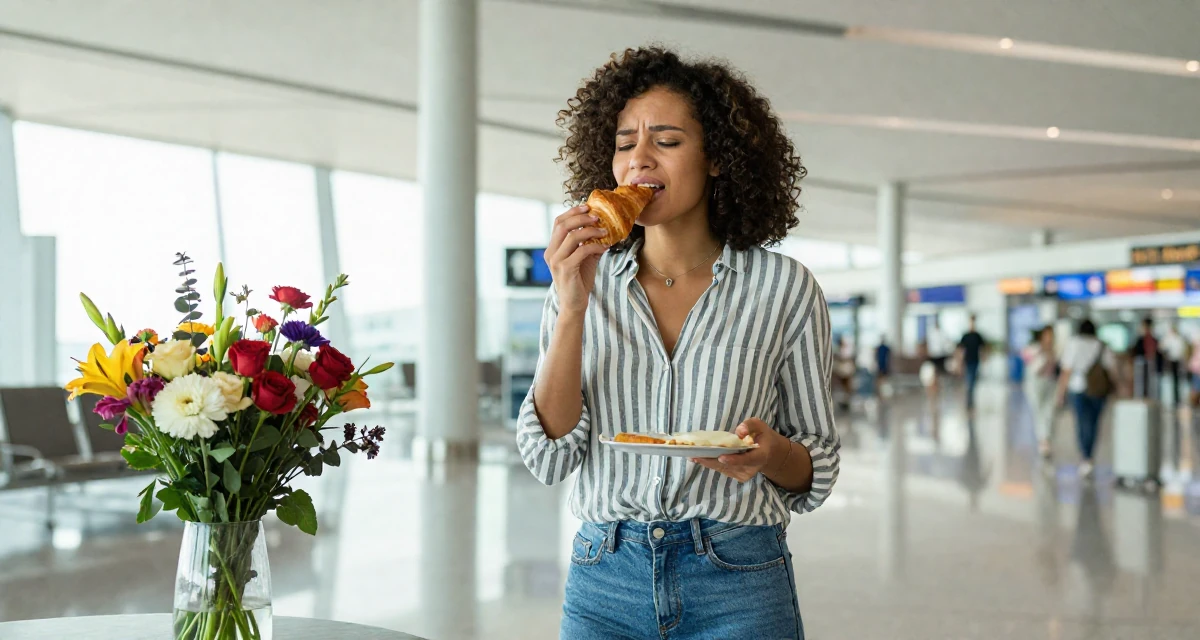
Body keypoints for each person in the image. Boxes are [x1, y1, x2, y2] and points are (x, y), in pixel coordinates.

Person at [517, 47, 839, 639]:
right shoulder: (581, 282)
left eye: (666, 141)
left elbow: (815, 465)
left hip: (739, 579)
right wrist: (573, 306)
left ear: (716, 157)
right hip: (604, 579)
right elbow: (550, 455)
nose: (638, 158)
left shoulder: (783, 287)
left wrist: (770, 454)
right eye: (624, 144)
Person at [1056, 320, 1118, 479]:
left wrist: (1061, 393)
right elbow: (1111, 369)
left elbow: (1066, 370)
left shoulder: (1074, 344)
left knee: (1082, 422)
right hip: (1099, 389)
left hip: (1078, 388)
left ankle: (1086, 457)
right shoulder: (1102, 345)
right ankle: (1089, 455)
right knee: (1094, 423)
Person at [1022, 326, 1058, 458]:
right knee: (1038, 412)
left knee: (1049, 412)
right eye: (1047, 335)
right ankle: (1043, 440)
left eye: (1051, 335)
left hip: (1050, 383)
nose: (1050, 338)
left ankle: (1045, 440)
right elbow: (1026, 359)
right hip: (1035, 384)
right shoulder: (1034, 348)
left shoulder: (1054, 350)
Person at [956, 315, 987, 411]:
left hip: (975, 361)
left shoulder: (977, 336)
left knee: (972, 381)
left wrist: (984, 358)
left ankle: (970, 401)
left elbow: (982, 348)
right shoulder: (965, 336)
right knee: (969, 381)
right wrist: (959, 363)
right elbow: (961, 349)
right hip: (967, 361)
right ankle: (969, 402)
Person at [1129, 317, 1162, 399]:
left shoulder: (1154, 340)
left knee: (1152, 387)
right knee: (1142, 386)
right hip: (1142, 368)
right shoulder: (1140, 341)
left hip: (1152, 368)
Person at [1161, 324, 1188, 407]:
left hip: (1177, 361)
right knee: (1171, 380)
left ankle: (1177, 399)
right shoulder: (1169, 338)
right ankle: (1173, 399)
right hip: (1170, 361)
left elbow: (1182, 350)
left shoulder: (1178, 339)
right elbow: (1162, 347)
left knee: (1176, 380)